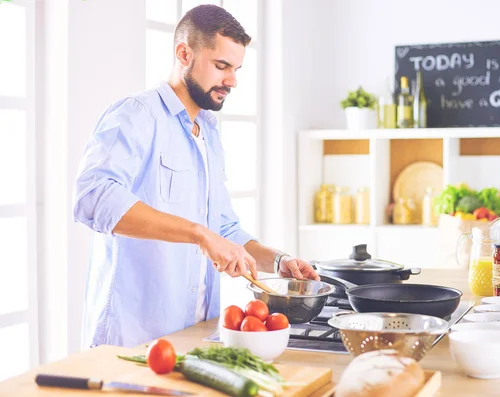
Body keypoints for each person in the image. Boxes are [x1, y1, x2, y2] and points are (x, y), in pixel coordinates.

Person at [73, 4, 319, 348]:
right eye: (221, 66)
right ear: (184, 53)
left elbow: (222, 227)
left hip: (195, 335)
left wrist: (278, 261)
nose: (232, 80)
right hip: (132, 339)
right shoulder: (136, 114)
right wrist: (198, 234)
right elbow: (94, 198)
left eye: (236, 68)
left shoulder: (208, 133)